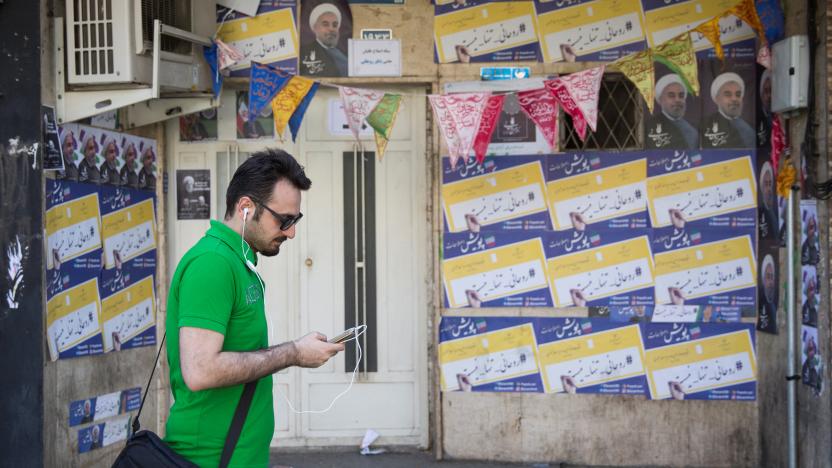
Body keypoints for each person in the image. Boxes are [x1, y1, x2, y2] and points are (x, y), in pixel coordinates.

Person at [164, 149, 344, 467]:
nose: (291, 231)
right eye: (284, 219)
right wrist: (294, 353)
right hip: (208, 458)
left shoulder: (238, 262)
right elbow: (200, 370)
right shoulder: (213, 264)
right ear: (246, 207)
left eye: (295, 219)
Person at [702, 72, 755, 148]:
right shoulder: (704, 126)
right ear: (717, 99)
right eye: (728, 94)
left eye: (738, 95)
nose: (734, 99)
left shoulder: (751, 128)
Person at [645, 74, 699, 149]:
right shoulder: (649, 127)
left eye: (681, 96)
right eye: (671, 96)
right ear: (661, 99)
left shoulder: (693, 130)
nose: (677, 100)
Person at [299, 3, 348, 77]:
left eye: (335, 25)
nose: (331, 29)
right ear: (315, 28)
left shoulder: (344, 54)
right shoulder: (303, 53)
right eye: (325, 24)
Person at [759, 162, 777, 238]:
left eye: (770, 184)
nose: (769, 189)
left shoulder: (776, 209)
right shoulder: (759, 209)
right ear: (762, 186)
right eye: (766, 184)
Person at [759, 255, 777, 322]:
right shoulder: (760, 300)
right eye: (768, 277)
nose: (771, 282)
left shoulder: (774, 303)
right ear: (763, 279)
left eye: (772, 277)